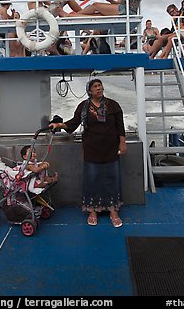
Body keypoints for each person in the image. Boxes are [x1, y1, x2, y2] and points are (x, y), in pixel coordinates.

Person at [49, 78, 127, 228]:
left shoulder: (113, 105)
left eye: (100, 86)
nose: (98, 88)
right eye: (95, 86)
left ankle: (113, 210)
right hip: (91, 149)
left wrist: (122, 143)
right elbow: (73, 123)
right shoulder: (83, 107)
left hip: (111, 149)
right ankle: (92, 211)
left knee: (112, 179)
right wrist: (58, 124)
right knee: (92, 180)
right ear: (89, 91)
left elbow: (120, 127)